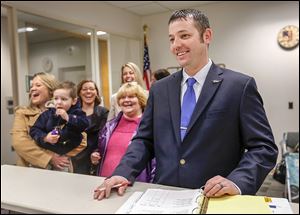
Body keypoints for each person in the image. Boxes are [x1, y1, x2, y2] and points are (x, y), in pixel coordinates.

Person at [93, 9, 278, 200]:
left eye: (184, 36)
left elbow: (263, 147)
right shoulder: (160, 89)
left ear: (207, 36)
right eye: (172, 39)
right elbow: (144, 140)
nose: (176, 45)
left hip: (215, 198)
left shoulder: (239, 86)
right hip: (165, 196)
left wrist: (237, 181)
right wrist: (122, 172)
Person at [11, 72, 85, 171]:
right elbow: (20, 143)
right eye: (31, 86)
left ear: (51, 90)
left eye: (38, 85)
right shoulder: (22, 113)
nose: (32, 88)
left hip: (61, 169)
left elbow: (83, 140)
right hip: (30, 171)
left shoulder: (69, 113)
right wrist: (50, 157)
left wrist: (61, 152)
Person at [91, 82, 154, 182]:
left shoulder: (149, 127)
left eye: (131, 96)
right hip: (105, 182)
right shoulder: (109, 126)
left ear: (141, 100)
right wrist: (95, 156)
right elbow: (101, 150)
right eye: (122, 97)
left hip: (134, 184)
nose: (126, 100)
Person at [30, 81, 89, 172]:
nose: (59, 102)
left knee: (63, 181)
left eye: (64, 99)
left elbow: (84, 124)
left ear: (74, 101)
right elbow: (34, 130)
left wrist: (67, 117)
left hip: (64, 156)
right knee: (39, 180)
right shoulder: (48, 114)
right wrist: (45, 137)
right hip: (45, 153)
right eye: (56, 98)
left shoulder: (78, 113)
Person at [71, 80, 109, 175]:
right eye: (84, 89)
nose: (88, 91)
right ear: (79, 93)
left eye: (92, 89)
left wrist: (96, 152)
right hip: (75, 158)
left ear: (96, 93)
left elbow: (104, 137)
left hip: (95, 157)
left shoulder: (103, 112)